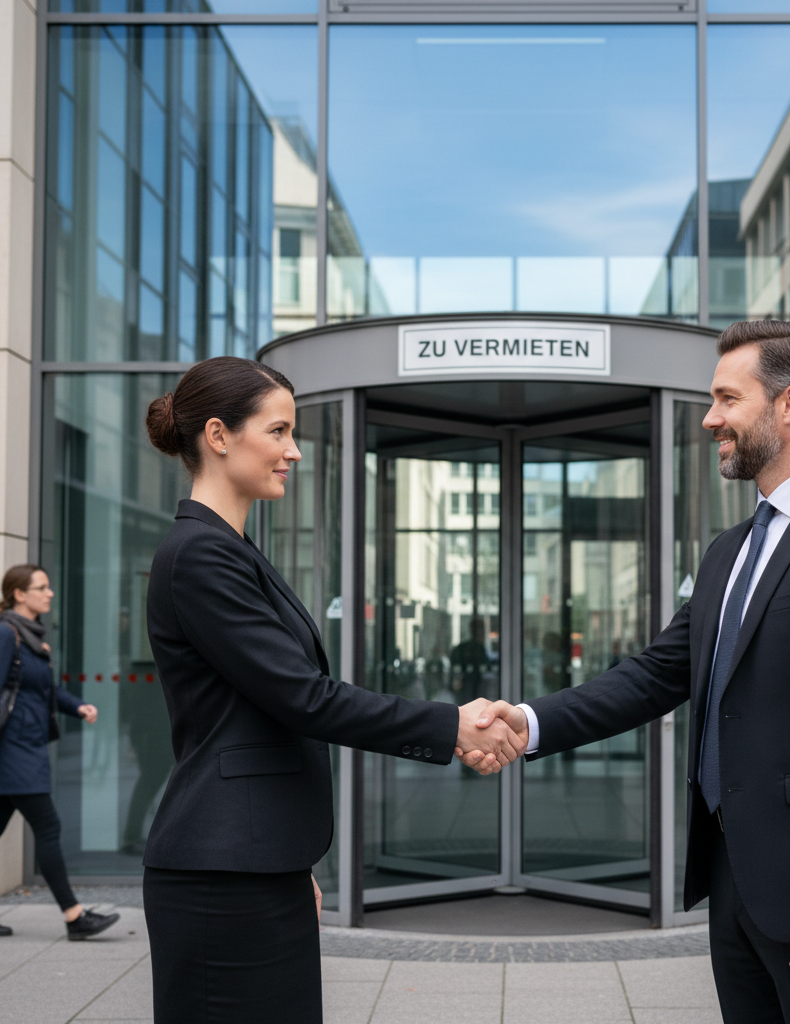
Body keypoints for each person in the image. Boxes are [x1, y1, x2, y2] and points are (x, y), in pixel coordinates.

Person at [462, 319, 790, 1024]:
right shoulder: (729, 550)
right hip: (735, 882)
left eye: (726, 398)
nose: (710, 418)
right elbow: (655, 675)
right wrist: (526, 723)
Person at [142, 356, 522, 1024]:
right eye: (279, 430)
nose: (293, 451)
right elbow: (303, 696)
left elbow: (271, 709)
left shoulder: (231, 549)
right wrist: (452, 726)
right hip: (221, 877)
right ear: (219, 435)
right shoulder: (199, 554)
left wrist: (292, 867)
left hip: (256, 864)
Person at [0, 565, 120, 940]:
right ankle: (74, 916)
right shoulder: (7, 634)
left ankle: (74, 917)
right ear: (19, 594)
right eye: (42, 587)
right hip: (12, 751)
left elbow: (44, 692)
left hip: (26, 746)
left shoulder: (33, 638)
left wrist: (77, 706)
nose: (50, 593)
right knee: (49, 827)